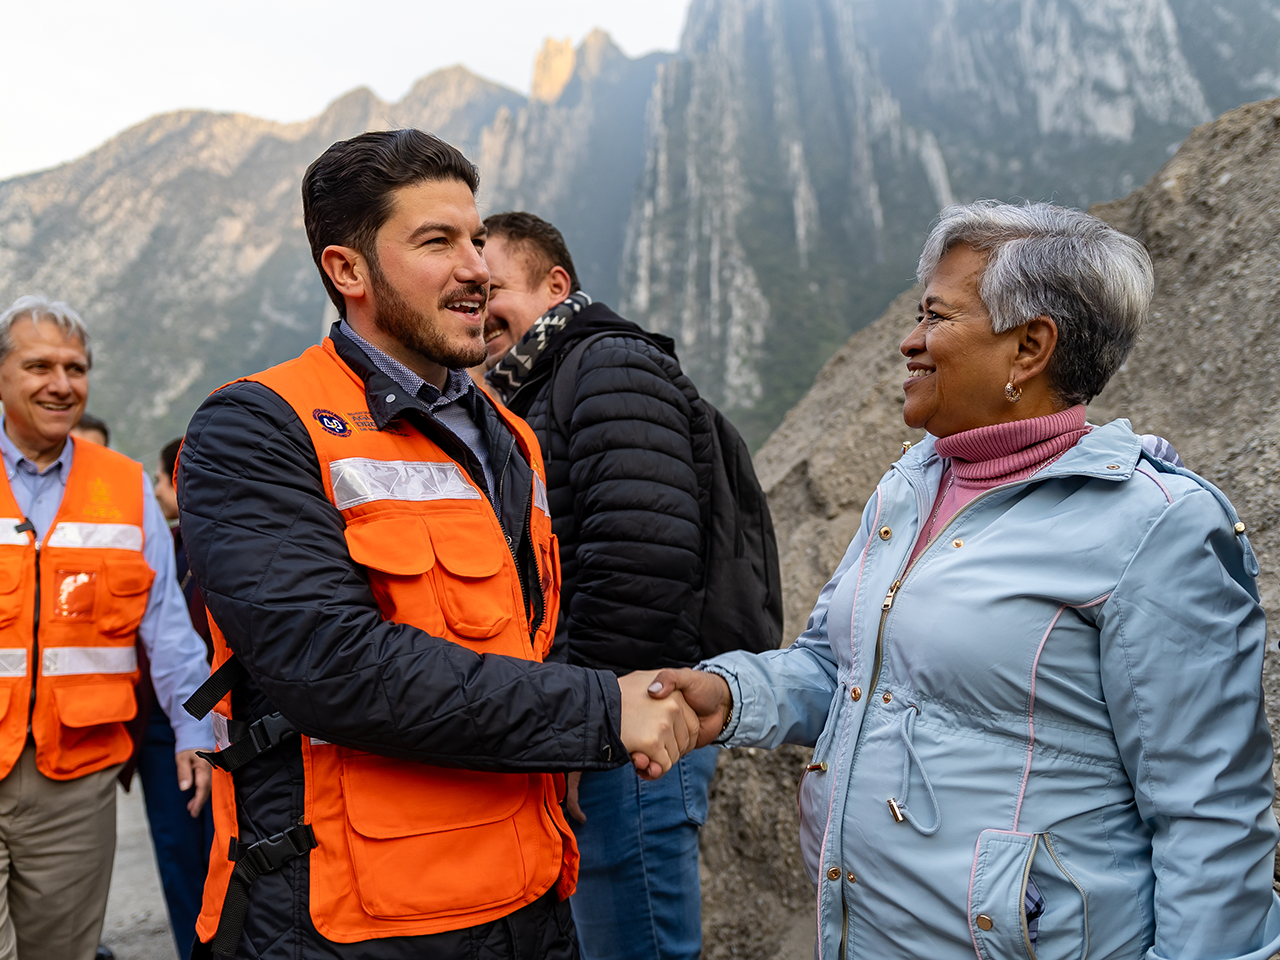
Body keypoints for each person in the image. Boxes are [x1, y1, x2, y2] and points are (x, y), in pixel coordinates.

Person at [649, 202, 1280, 960]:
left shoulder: (1154, 527)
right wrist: (729, 695)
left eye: (936, 317)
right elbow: (840, 669)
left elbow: (1211, 817)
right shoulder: (912, 486)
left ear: (1029, 348)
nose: (910, 341)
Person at [176, 129, 699, 960]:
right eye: (437, 242)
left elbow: (533, 642)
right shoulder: (258, 426)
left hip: (527, 894)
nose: (478, 268)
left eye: (477, 237)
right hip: (361, 923)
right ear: (348, 271)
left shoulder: (508, 433)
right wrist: (604, 710)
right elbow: (331, 663)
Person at [483, 211, 717, 960]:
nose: (478, 310)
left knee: (634, 943)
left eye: (493, 289)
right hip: (596, 712)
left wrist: (583, 729)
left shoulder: (606, 364)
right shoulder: (533, 390)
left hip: (632, 722)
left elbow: (640, 563)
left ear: (556, 284)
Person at [0, 295, 214, 960]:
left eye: (76, 367)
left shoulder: (125, 487)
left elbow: (167, 627)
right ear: (2, 375)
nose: (61, 384)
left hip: (75, 779)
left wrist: (193, 729)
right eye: (39, 366)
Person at [117, 438, 212, 960]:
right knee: (182, 865)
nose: (156, 491)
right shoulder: (166, 545)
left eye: (161, 479)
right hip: (160, 727)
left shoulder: (222, 546)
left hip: (218, 724)